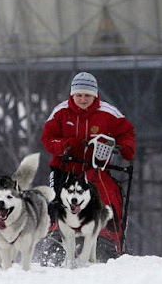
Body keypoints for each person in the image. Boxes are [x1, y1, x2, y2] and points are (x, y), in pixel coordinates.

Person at [40, 72, 135, 242]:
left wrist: (126, 147)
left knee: (109, 195)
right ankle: (55, 233)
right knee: (57, 199)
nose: (83, 99)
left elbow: (126, 132)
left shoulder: (109, 113)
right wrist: (64, 145)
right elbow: (48, 138)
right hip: (64, 168)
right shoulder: (60, 112)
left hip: (96, 170)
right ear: (72, 95)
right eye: (79, 95)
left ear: (95, 95)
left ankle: (109, 234)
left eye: (87, 95)